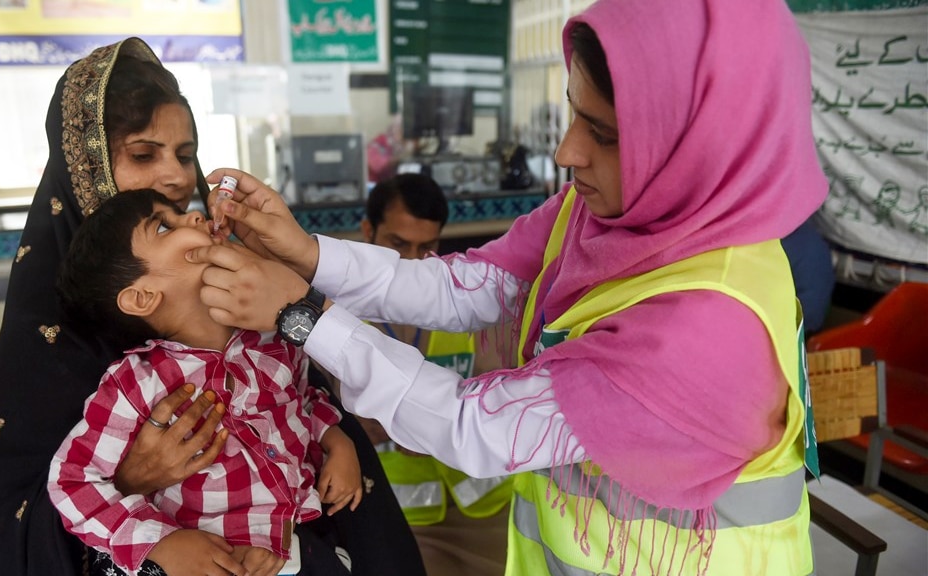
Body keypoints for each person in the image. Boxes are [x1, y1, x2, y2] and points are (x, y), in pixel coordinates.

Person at [190, 0, 827, 574]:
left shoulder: (704, 331)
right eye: (576, 111)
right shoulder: (618, 213)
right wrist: (306, 253)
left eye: (603, 134)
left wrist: (301, 313)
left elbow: (473, 426)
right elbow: (464, 286)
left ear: (700, 146)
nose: (567, 152)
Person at [0, 37, 424, 576]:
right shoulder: (47, 336)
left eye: (185, 154)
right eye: (142, 154)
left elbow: (298, 400)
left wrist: (331, 433)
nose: (178, 178)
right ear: (85, 166)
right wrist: (132, 479)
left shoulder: (230, 290)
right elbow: (10, 521)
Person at [50, 189, 361, 576]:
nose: (195, 217)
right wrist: (162, 543)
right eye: (165, 225)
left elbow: (303, 402)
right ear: (143, 296)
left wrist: (337, 442)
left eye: (182, 212)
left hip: (302, 542)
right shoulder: (137, 385)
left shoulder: (271, 337)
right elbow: (72, 481)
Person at [357, 174, 511, 576]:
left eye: (425, 247)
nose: (411, 261)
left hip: (488, 505)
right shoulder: (336, 317)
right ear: (367, 231)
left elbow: (507, 393)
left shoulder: (466, 301)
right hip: (404, 516)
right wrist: (362, 426)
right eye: (397, 244)